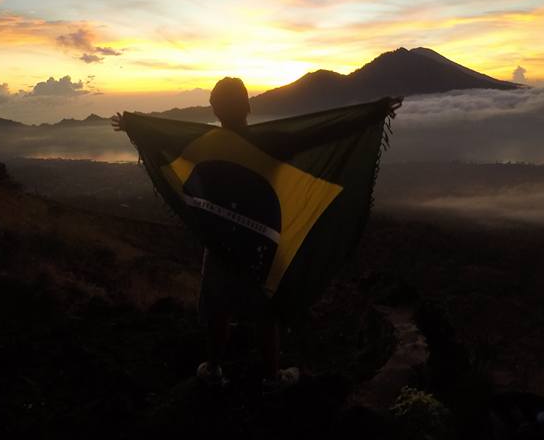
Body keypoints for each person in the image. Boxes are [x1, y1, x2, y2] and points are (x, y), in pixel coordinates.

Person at [113, 78, 401, 393]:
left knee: (217, 306)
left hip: (221, 241)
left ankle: (214, 367)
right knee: (266, 310)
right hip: (262, 243)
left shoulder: (203, 143)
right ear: (248, 106)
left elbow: (163, 136)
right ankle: (272, 377)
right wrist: (372, 114)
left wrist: (132, 125)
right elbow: (318, 133)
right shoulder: (270, 141)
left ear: (214, 108)